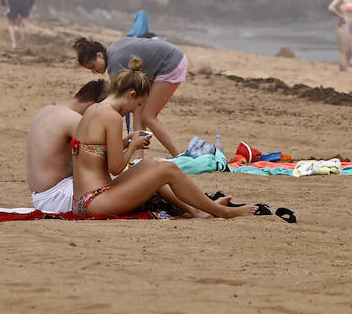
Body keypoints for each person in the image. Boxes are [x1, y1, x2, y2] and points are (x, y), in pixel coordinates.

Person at [69, 56, 256, 218]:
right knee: (168, 169)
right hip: (95, 201)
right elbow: (116, 168)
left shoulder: (94, 109)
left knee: (149, 166)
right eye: (137, 105)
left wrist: (126, 141)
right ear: (131, 94)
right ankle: (221, 212)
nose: (135, 111)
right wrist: (133, 146)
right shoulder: (112, 117)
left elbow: (95, 151)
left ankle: (197, 211)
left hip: (82, 200)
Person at [74, 34, 189, 158]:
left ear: (99, 55)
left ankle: (180, 157)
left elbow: (116, 103)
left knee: (148, 116)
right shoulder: (113, 50)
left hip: (171, 63)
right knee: (138, 108)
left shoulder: (116, 65)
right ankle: (138, 158)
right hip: (166, 60)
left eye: (93, 67)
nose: (94, 71)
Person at [25, 79, 109, 213]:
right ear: (92, 106)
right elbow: (102, 159)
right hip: (58, 197)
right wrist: (131, 146)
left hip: (40, 196)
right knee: (124, 187)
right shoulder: (74, 120)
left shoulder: (47, 110)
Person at [327, 0, 352, 72]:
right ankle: (343, 72)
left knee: (351, 52)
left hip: (350, 26)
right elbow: (331, 7)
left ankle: (344, 68)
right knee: (343, 52)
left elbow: (344, 8)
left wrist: (343, 9)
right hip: (343, 26)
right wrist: (340, 16)